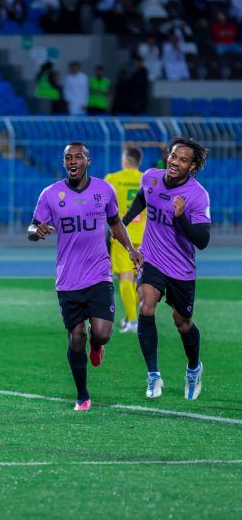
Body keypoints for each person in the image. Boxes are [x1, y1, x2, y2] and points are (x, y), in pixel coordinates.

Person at [28, 142, 142, 411]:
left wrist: (130, 249)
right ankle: (82, 394)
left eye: (78, 157)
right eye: (68, 157)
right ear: (64, 162)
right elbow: (32, 226)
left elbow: (115, 222)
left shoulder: (105, 190)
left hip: (99, 275)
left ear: (88, 161)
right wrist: (36, 231)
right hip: (68, 279)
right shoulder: (50, 194)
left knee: (101, 334)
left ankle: (97, 345)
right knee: (76, 335)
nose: (72, 161)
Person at [121, 138, 211, 400]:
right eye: (173, 156)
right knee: (145, 304)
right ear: (167, 156)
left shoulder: (197, 195)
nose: (175, 162)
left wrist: (181, 215)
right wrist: (121, 227)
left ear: (192, 166)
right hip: (152, 260)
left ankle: (193, 368)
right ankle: (153, 375)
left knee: (182, 322)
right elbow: (142, 199)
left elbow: (202, 241)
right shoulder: (150, 177)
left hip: (181, 269)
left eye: (183, 160)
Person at [104, 146, 145, 333]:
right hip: (145, 236)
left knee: (125, 278)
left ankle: (134, 322)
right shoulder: (147, 180)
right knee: (136, 278)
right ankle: (130, 316)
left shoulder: (112, 179)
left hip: (122, 235)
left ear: (126, 160)